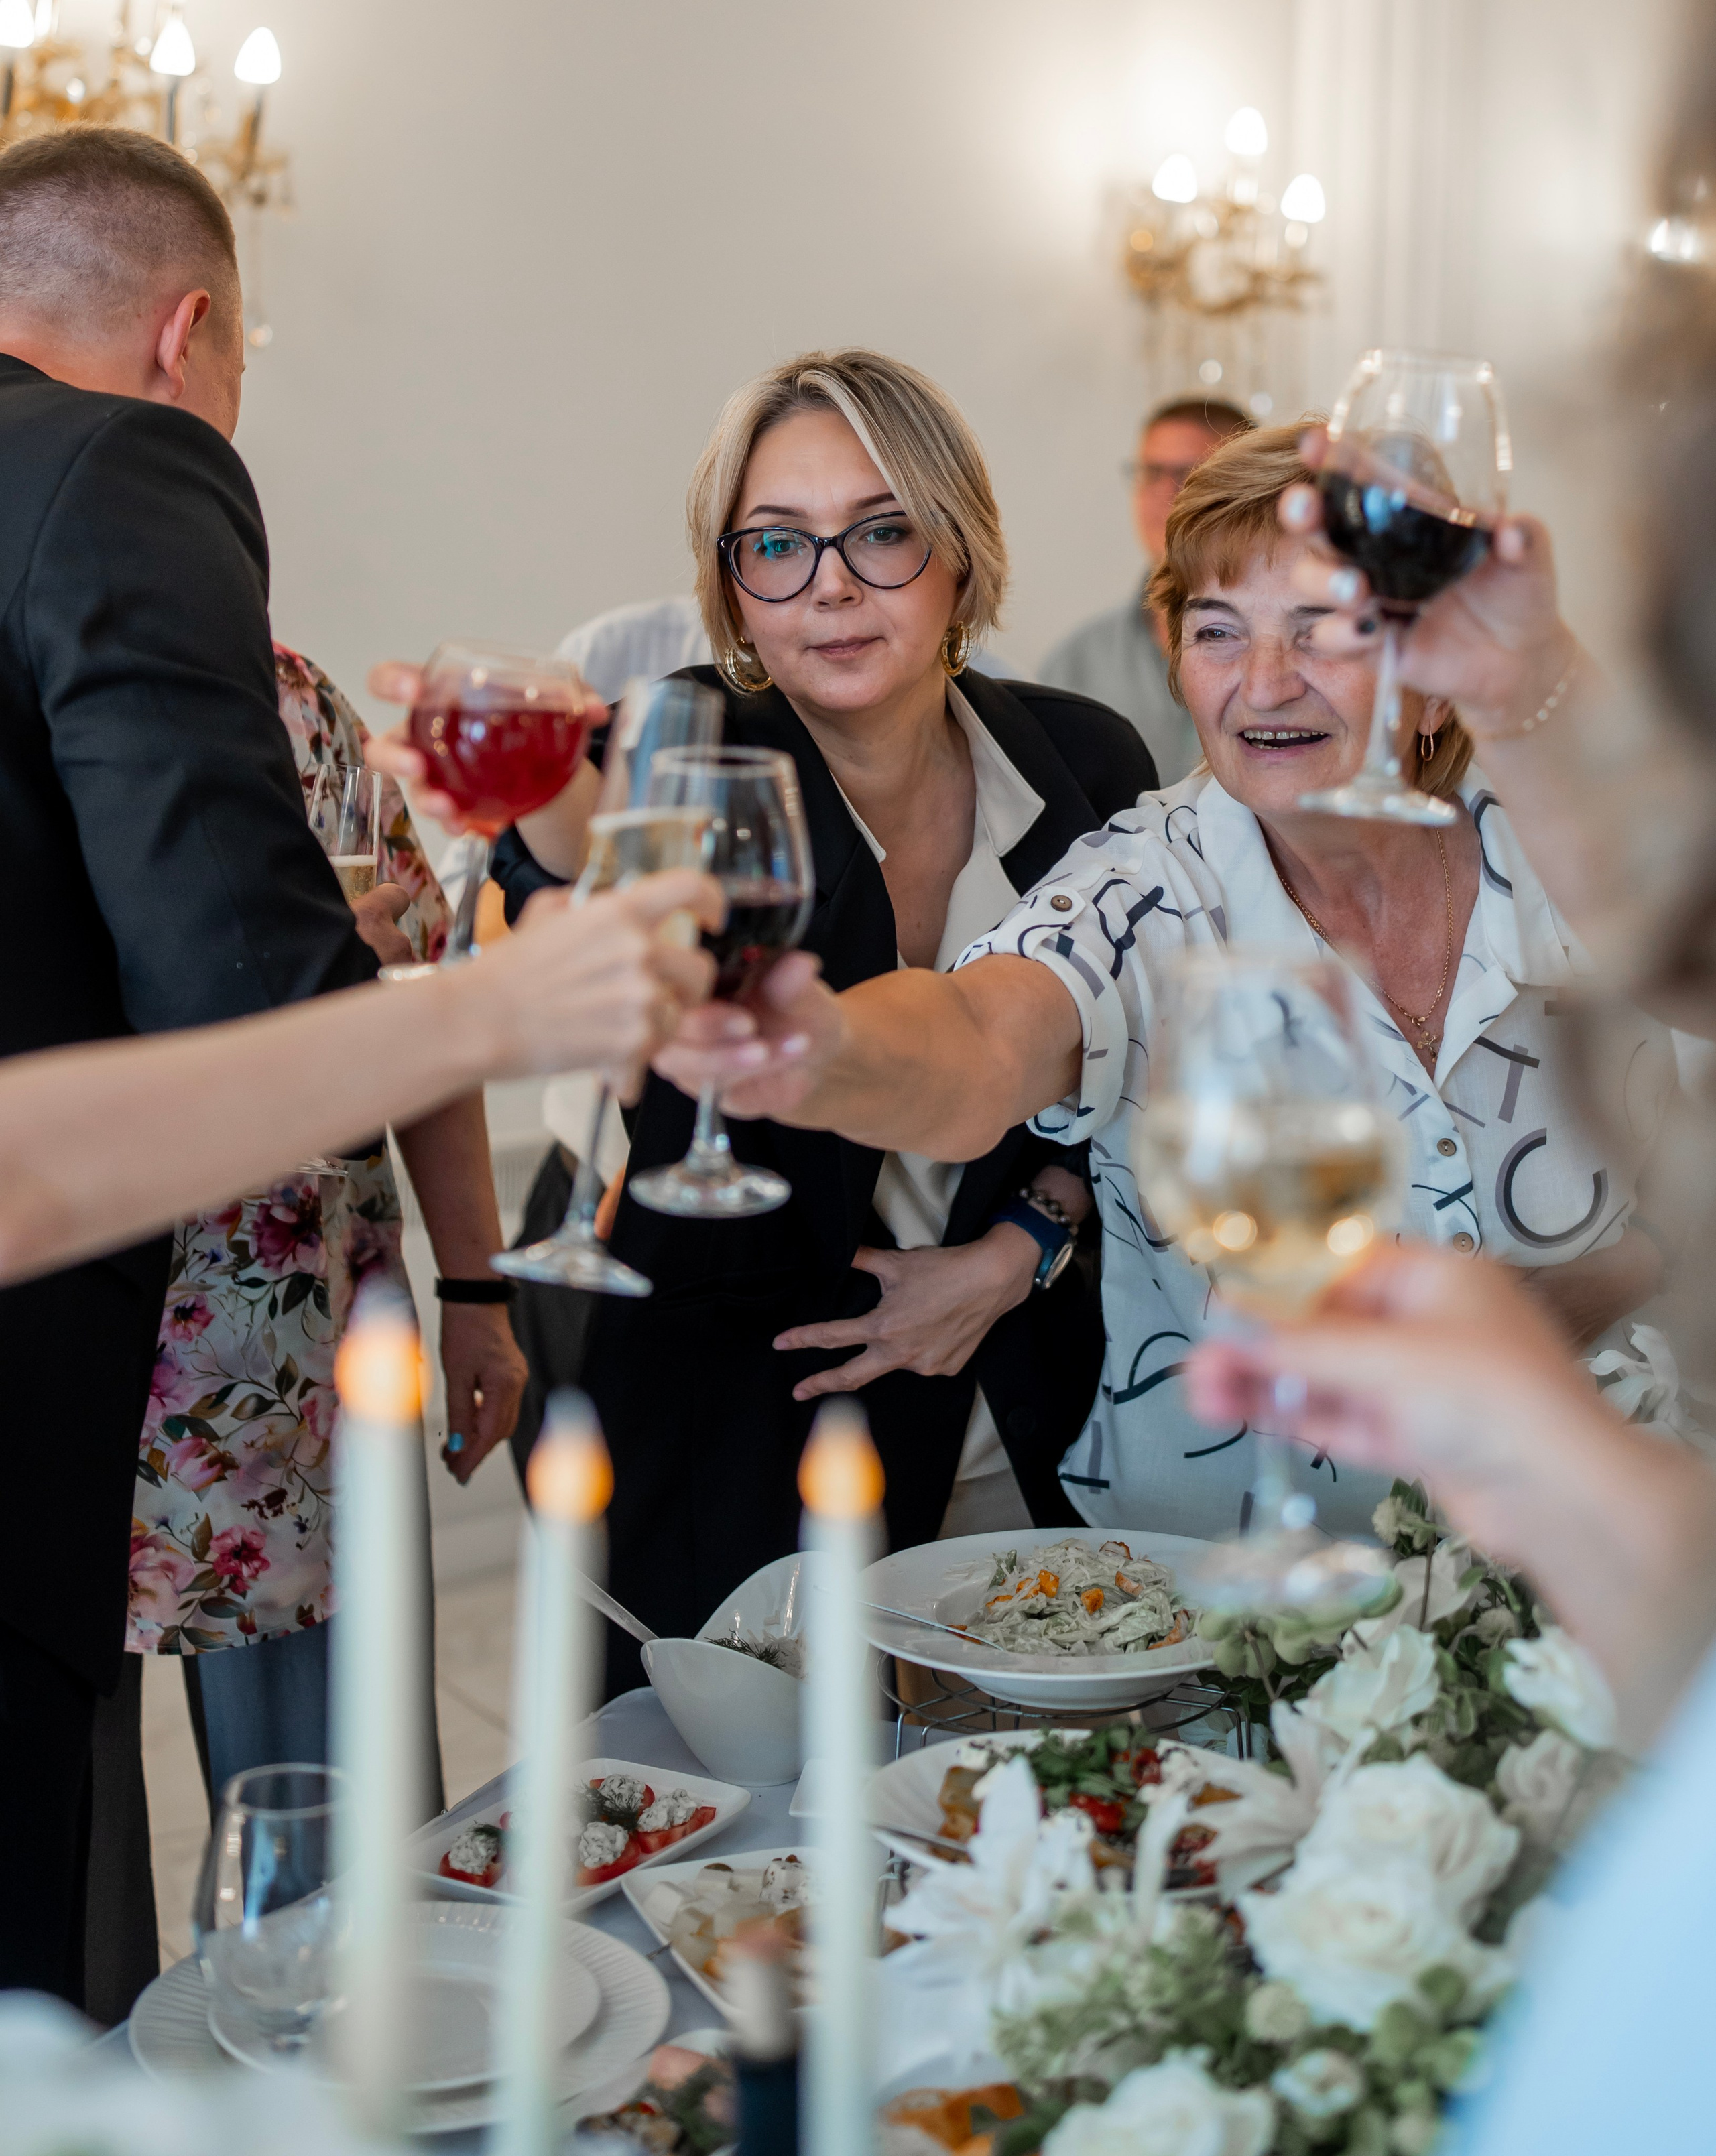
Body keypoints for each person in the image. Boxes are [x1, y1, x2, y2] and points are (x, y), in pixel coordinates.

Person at [654, 422, 1677, 1545]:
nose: (1262, 683)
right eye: (1217, 630)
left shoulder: (1562, 842)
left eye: (1323, 632)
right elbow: (978, 1040)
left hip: (1614, 1540)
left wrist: (1539, 1320)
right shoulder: (1145, 889)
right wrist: (821, 1048)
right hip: (1242, 1597)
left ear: (1433, 680)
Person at [373, 348, 1155, 1697]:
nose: (829, 584)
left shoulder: (1082, 760)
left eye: (880, 532)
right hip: (727, 1409)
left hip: (1006, 1383)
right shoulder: (684, 739)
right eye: (776, 544)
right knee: (736, 1840)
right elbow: (562, 856)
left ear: (960, 550)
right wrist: (526, 790)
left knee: (1006, 1801)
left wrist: (1024, 1243)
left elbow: (1127, 1062)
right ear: (729, 577)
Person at [1038, 395, 1252, 781]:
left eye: (1190, 474)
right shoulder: (1076, 665)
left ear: (1253, 491)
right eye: (1151, 473)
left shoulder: (1309, 649)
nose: (1165, 495)